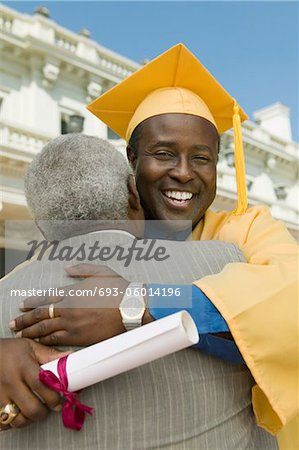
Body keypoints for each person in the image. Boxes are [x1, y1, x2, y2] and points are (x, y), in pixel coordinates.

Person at [1, 134, 275, 449]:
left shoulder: (6, 294)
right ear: (134, 195)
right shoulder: (220, 261)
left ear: (40, 224)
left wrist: (136, 302)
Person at [86, 43, 298, 447]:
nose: (184, 173)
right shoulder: (101, 237)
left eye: (201, 158)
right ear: (131, 159)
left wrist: (141, 305)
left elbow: (293, 297)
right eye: (163, 153)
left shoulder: (248, 229)